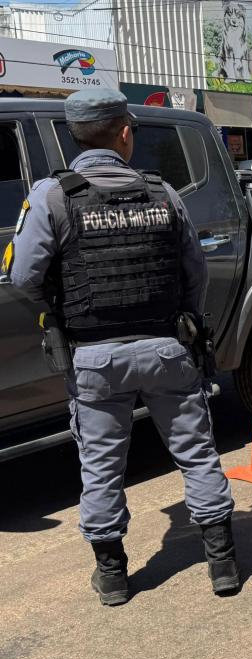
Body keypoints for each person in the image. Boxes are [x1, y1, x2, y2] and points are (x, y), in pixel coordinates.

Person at [6, 89, 238, 605]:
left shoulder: (52, 195)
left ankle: (113, 576)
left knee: (101, 467)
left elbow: (22, 275)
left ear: (75, 134)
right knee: (197, 456)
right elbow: (194, 274)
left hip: (93, 357)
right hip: (165, 350)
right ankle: (222, 564)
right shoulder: (163, 193)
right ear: (125, 133)